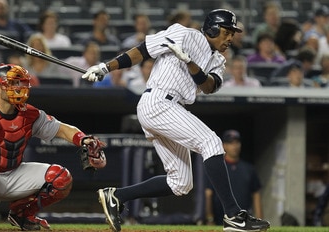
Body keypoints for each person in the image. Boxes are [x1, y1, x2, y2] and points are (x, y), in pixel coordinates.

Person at [82, 8, 270, 232]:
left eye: (233, 33)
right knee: (211, 142)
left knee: (180, 183)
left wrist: (190, 63)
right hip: (158, 101)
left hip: (172, 108)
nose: (231, 37)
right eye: (226, 31)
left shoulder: (218, 60)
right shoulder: (184, 34)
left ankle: (117, 196)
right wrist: (106, 67)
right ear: (211, 27)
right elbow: (142, 51)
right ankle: (233, 216)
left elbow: (209, 86)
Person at [0, 63, 106, 230]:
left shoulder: (30, 115)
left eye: (22, 83)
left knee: (61, 178)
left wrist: (84, 140)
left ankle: (22, 215)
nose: (20, 88)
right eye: (13, 83)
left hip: (13, 173)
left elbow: (62, 129)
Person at [205, 130, 263, 225]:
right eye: (230, 143)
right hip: (221, 219)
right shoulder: (217, 168)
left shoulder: (249, 169)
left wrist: (259, 219)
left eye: (237, 142)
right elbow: (208, 194)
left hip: (244, 219)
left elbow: (256, 195)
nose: (234, 146)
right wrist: (210, 218)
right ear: (224, 145)